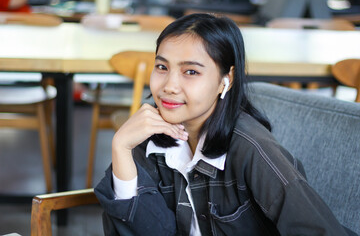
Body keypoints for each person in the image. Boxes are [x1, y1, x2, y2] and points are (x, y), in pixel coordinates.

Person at [94, 13, 349, 235]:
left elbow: (319, 229)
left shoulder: (253, 149)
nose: (169, 86)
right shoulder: (150, 136)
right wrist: (120, 147)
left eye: (191, 71)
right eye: (162, 67)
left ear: (225, 80)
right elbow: (148, 230)